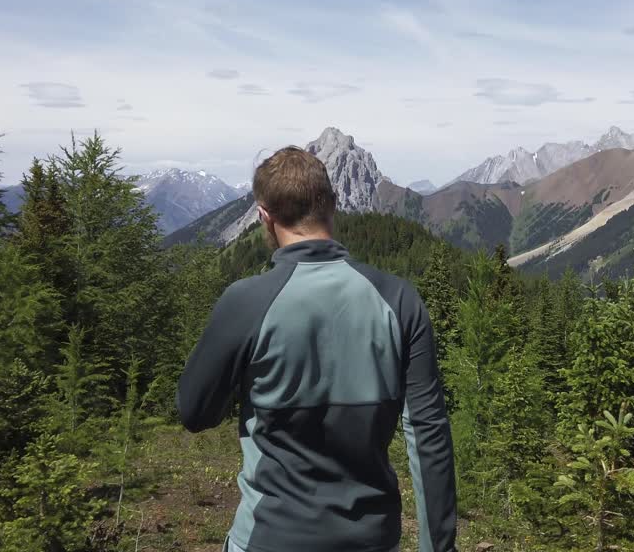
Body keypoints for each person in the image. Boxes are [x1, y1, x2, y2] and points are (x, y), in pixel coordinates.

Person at [177, 146, 457, 552]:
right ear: (333, 204)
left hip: (268, 538)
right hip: (372, 540)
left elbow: (194, 412)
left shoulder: (244, 301)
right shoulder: (399, 300)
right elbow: (429, 436)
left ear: (265, 217)